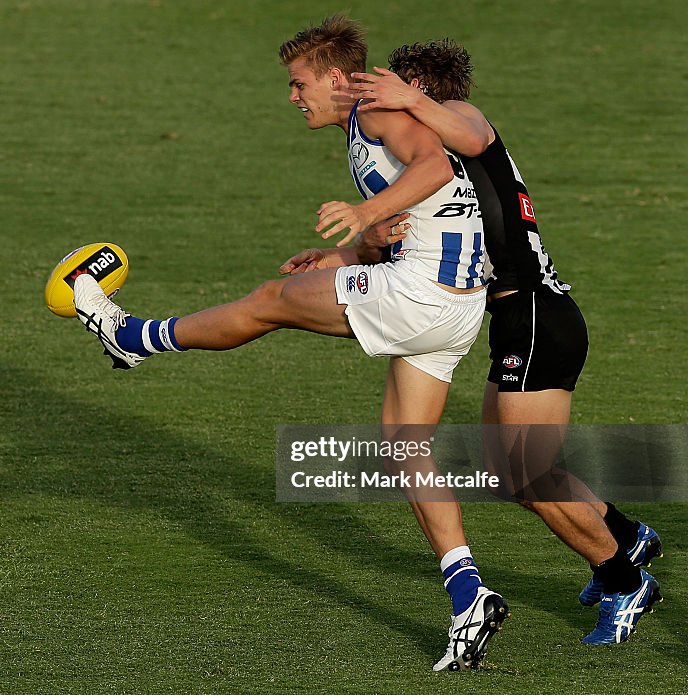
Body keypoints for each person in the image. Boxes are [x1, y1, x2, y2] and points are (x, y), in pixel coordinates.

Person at [73, 16, 507, 671]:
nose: (293, 95)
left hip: (421, 295)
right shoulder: (365, 125)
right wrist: (343, 253)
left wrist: (363, 214)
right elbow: (406, 217)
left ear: (337, 78)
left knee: (269, 302)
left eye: (299, 82)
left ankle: (134, 337)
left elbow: (439, 166)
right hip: (455, 309)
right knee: (404, 443)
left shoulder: (375, 108)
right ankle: (467, 592)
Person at [336, 39, 662, 645]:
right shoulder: (432, 157)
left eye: (399, 96)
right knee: (509, 468)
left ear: (424, 93)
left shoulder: (467, 122)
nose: (388, 112)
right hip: (522, 319)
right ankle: (627, 533)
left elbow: (477, 135)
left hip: (537, 314)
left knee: (525, 473)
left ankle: (622, 579)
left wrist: (409, 100)